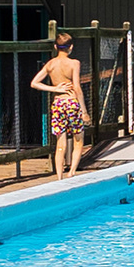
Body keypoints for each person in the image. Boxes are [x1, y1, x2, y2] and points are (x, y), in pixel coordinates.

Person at [31, 28, 92, 177]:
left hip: (58, 104)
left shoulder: (50, 64)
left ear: (55, 47)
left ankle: (59, 177)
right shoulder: (74, 63)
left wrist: (54, 88)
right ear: (71, 47)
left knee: (60, 143)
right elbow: (77, 88)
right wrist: (84, 111)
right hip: (71, 103)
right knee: (78, 140)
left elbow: (34, 83)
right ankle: (71, 172)